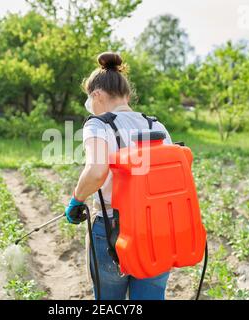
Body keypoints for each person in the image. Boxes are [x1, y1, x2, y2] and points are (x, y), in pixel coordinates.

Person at [64, 52, 173, 300]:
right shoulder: (156, 125)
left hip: (113, 230)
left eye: (88, 99)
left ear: (97, 95)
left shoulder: (97, 125)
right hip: (157, 230)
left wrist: (76, 200)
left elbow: (96, 170)